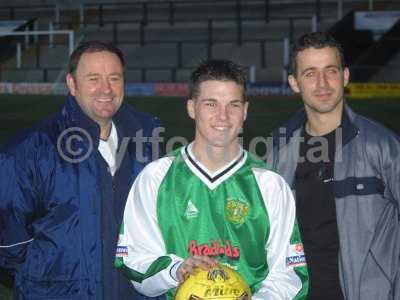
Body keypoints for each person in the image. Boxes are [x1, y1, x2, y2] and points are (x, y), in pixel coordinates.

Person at [115, 59, 309, 299]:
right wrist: (176, 270)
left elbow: (289, 276)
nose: (223, 116)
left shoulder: (270, 186)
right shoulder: (155, 179)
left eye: (233, 105)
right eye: (211, 104)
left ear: (245, 111)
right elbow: (134, 260)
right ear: (191, 108)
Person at [0, 41, 160, 299]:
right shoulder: (28, 151)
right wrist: (48, 277)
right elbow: (9, 243)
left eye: (114, 78)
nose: (106, 89)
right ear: (72, 84)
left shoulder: (147, 141)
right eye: (93, 78)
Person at [267, 31, 400, 300]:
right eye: (310, 73)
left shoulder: (382, 146)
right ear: (294, 83)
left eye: (331, 71)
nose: (322, 83)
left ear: (345, 76)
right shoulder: (277, 150)